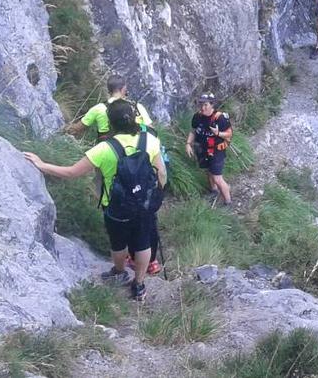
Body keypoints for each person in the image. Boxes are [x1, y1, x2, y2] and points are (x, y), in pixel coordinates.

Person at [23, 99, 167, 301]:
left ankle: (119, 271)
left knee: (118, 244)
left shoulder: (104, 149)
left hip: (116, 206)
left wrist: (42, 165)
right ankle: (139, 284)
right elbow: (162, 174)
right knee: (143, 243)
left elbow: (72, 172)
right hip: (144, 203)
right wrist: (154, 198)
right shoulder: (150, 141)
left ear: (111, 123)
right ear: (134, 119)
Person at [185, 93, 233, 206]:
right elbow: (193, 130)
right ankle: (214, 191)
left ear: (212, 105)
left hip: (217, 150)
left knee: (217, 177)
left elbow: (229, 134)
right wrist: (188, 143)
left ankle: (228, 201)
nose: (203, 107)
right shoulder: (197, 117)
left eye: (206, 105)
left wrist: (218, 133)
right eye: (201, 104)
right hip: (202, 149)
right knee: (208, 171)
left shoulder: (220, 118)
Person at [72, 76, 155, 140]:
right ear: (124, 89)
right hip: (136, 152)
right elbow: (151, 131)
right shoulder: (137, 107)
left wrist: (64, 129)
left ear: (109, 90)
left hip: (108, 150)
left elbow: (76, 129)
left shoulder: (98, 108)